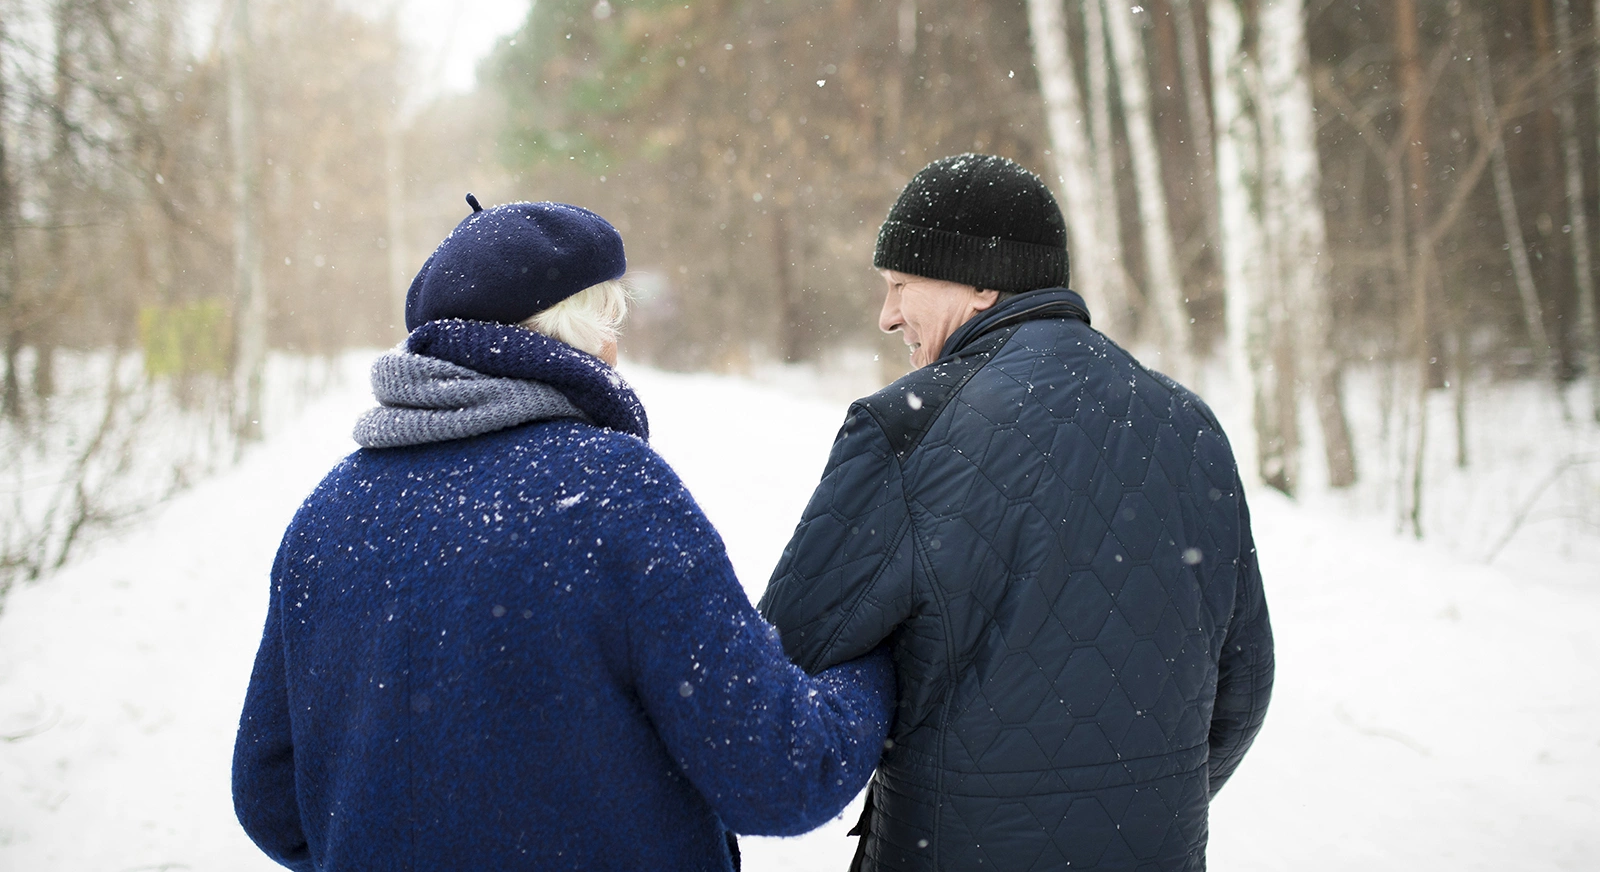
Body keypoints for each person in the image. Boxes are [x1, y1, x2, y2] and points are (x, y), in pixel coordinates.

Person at [232, 195, 894, 872]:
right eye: (612, 322)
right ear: (584, 333)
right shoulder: (615, 493)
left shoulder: (329, 513)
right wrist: (873, 671)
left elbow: (270, 800)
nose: (616, 350)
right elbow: (779, 774)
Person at [758, 154, 1273, 871]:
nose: (887, 316)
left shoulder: (909, 428)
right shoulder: (1188, 423)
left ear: (980, 281)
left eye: (902, 284)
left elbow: (778, 667)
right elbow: (1242, 689)